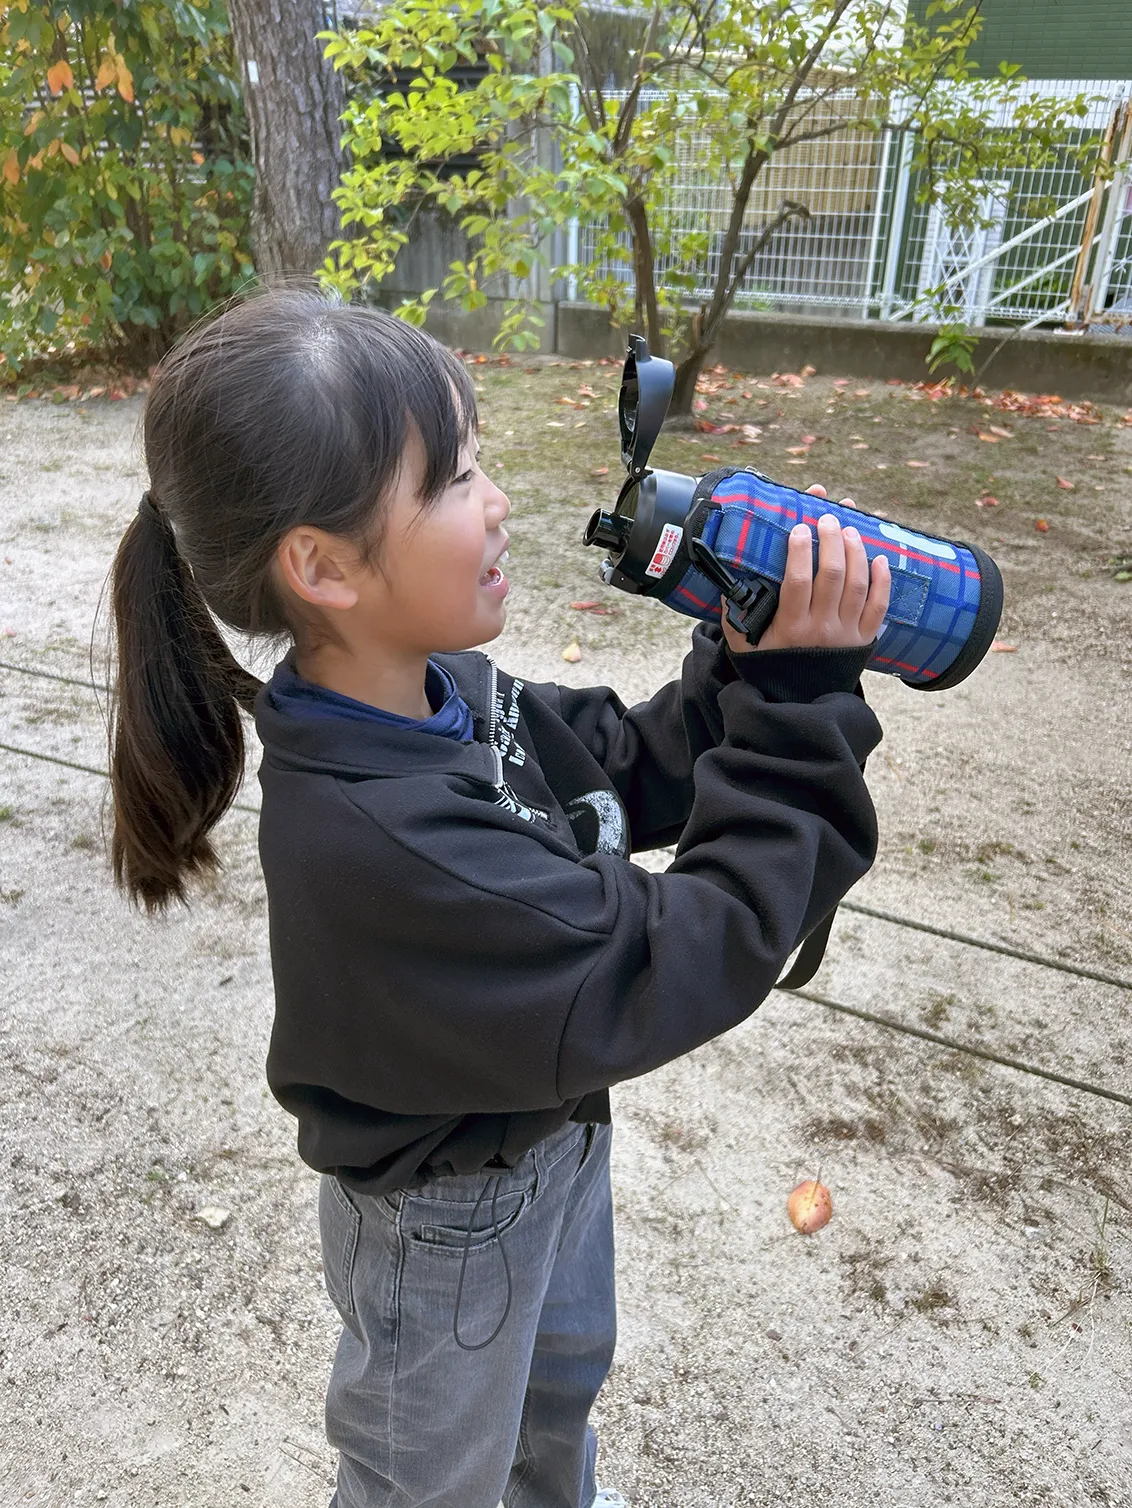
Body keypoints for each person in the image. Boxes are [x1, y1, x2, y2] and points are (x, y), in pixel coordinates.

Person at [107, 286, 889, 1508]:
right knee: (426, 1476)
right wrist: (795, 713)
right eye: (454, 477)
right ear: (319, 565)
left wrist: (745, 658)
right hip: (446, 1227)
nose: (498, 499)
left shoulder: (441, 695)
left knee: (559, 1379)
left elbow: (628, 766)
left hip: (550, 1139)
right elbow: (678, 949)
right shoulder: (389, 838)